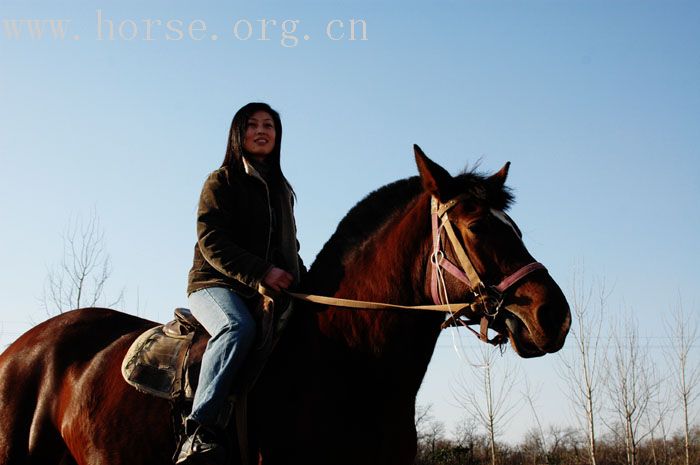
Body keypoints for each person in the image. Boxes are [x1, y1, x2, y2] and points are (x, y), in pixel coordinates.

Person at [175, 102, 304, 464]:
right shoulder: (221, 181)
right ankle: (199, 430)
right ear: (238, 133)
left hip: (264, 289)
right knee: (236, 327)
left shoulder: (282, 191)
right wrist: (262, 272)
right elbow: (211, 240)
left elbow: (289, 249)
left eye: (269, 125)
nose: (262, 131)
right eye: (252, 125)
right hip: (213, 285)